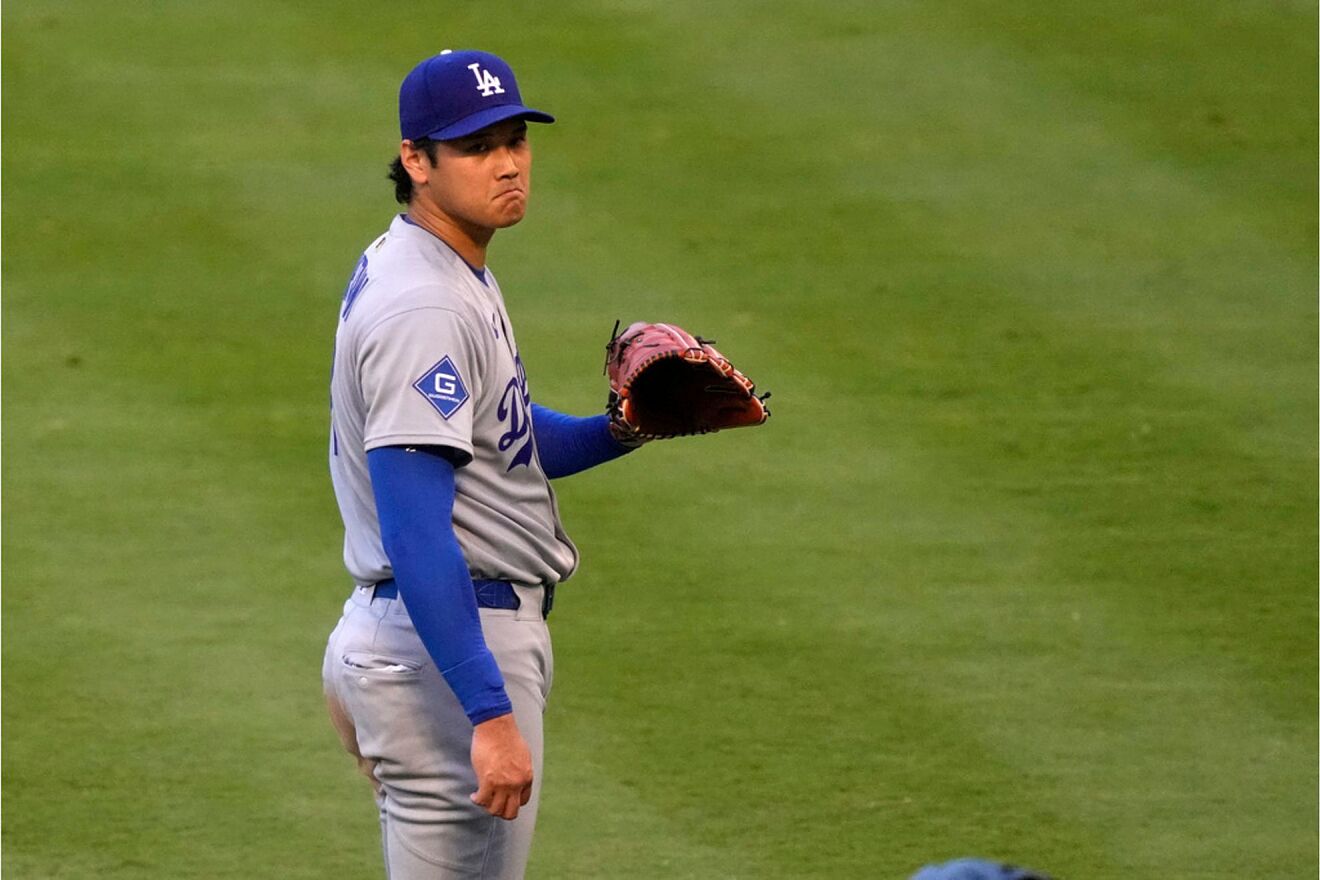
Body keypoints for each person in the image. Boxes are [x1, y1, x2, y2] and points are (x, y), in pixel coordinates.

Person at [321, 49, 639, 879]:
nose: (506, 163)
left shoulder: (439, 262)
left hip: (412, 641)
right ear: (416, 160)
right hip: (449, 654)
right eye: (475, 147)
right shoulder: (426, 303)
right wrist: (488, 713)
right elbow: (417, 525)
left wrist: (623, 429)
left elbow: (502, 434)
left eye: (514, 139)